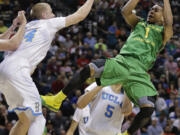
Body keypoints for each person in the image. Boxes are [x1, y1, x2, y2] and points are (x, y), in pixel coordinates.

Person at [41, 0, 173, 134]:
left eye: (156, 10)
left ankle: (126, 133)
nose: (151, 11)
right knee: (89, 68)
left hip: (139, 72)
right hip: (122, 62)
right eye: (151, 9)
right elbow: (125, 11)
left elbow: (169, 23)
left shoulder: (164, 33)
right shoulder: (139, 23)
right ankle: (57, 99)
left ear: (163, 17)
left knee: (148, 108)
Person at [0, 1, 95, 135]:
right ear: (44, 15)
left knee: (24, 120)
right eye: (51, 12)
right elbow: (79, 15)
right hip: (17, 70)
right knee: (38, 119)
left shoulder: (24, 28)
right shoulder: (48, 23)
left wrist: (15, 25)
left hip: (3, 71)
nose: (54, 14)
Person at [66, 82, 132, 135]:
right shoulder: (99, 84)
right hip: (91, 132)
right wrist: (101, 83)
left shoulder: (128, 94)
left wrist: (127, 89)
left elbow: (126, 112)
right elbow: (80, 104)